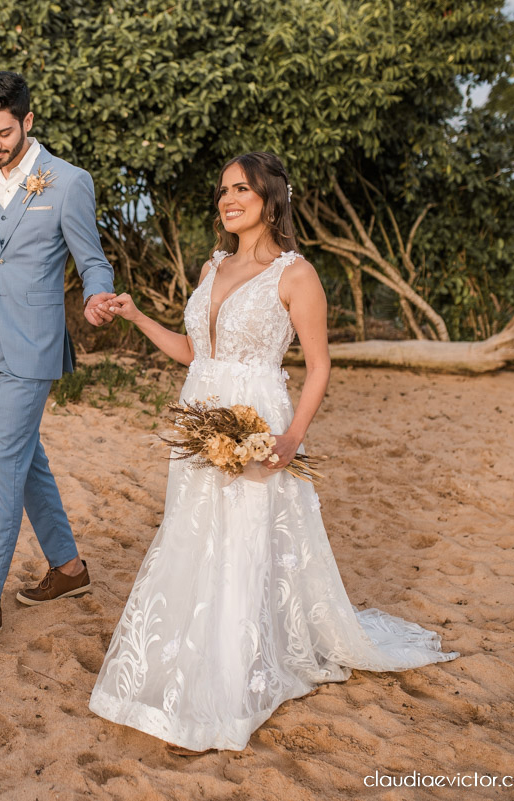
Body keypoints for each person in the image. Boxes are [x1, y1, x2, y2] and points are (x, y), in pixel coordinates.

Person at [88, 152, 458, 754]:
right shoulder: (214, 265)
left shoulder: (295, 274)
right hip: (198, 416)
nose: (227, 199)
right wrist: (133, 315)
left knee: (244, 541)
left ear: (270, 199)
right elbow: (192, 352)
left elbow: (318, 366)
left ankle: (230, 681)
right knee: (193, 532)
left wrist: (291, 438)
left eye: (242, 189)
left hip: (259, 418)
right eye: (223, 189)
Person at [0, 71, 117, 638]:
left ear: (28, 122)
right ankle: (68, 568)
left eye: (4, 133)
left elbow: (92, 258)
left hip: (35, 345)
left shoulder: (67, 181)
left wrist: (96, 296)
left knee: (3, 464)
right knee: (24, 457)